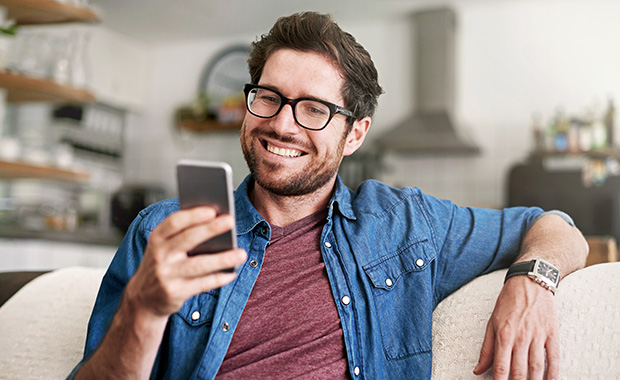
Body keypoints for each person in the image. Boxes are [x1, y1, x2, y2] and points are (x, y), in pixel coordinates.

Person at [70, 11, 588, 380]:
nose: (281, 124)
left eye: (313, 109)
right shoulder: (165, 230)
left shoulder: (405, 223)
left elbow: (556, 228)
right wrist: (142, 308)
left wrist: (532, 282)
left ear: (355, 134)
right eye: (267, 97)